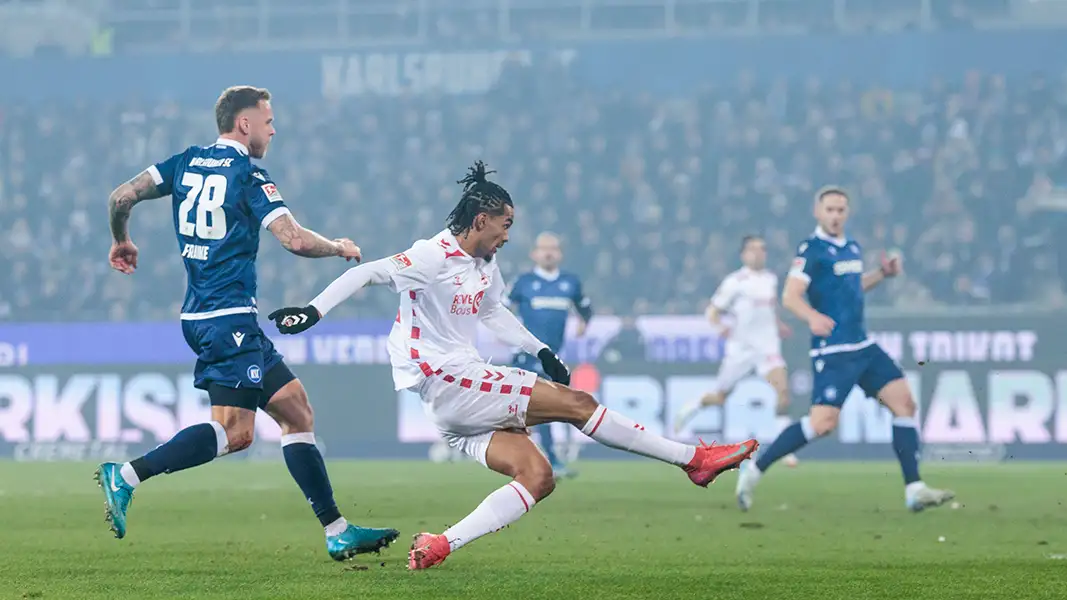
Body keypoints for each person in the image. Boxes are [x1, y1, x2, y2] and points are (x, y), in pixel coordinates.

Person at [269, 161, 759, 570]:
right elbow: (367, 272)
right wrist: (313, 310)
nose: (508, 236)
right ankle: (692, 460)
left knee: (538, 476)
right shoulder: (430, 255)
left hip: (459, 393)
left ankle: (441, 544)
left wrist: (540, 349)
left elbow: (492, 311)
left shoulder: (484, 263)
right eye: (505, 225)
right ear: (481, 219)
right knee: (577, 403)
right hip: (445, 379)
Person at [95, 85, 399, 560]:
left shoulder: (185, 162)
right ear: (245, 124)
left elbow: (120, 197)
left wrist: (122, 241)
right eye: (269, 121)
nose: (273, 129)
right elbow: (293, 239)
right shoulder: (248, 176)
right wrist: (339, 247)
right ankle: (127, 475)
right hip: (227, 318)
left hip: (210, 314)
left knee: (296, 411)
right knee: (236, 433)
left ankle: (337, 529)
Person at [734, 186, 955, 512]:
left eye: (840, 210)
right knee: (822, 424)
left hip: (863, 346)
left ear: (847, 213)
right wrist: (812, 317)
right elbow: (790, 296)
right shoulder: (811, 250)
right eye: (830, 210)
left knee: (905, 404)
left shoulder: (851, 246)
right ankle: (754, 469)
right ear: (817, 212)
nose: (835, 216)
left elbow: (853, 285)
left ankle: (914, 488)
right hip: (833, 351)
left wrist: (882, 274)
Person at [674, 235, 797, 466]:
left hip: (768, 347)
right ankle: (693, 406)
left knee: (784, 394)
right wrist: (720, 327)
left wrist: (779, 325)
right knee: (720, 397)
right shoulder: (735, 282)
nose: (759, 253)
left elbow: (770, 310)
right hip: (740, 351)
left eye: (762, 249)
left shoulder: (771, 279)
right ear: (743, 254)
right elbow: (712, 310)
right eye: (753, 249)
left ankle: (785, 449)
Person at [505, 231, 593, 479]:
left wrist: (584, 323)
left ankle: (529, 458)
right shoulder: (523, 282)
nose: (548, 252)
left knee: (535, 409)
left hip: (554, 356)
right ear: (534, 253)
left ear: (560, 253)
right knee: (539, 405)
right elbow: (500, 307)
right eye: (543, 248)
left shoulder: (570, 283)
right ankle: (550, 461)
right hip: (526, 354)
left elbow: (586, 309)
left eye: (553, 248)